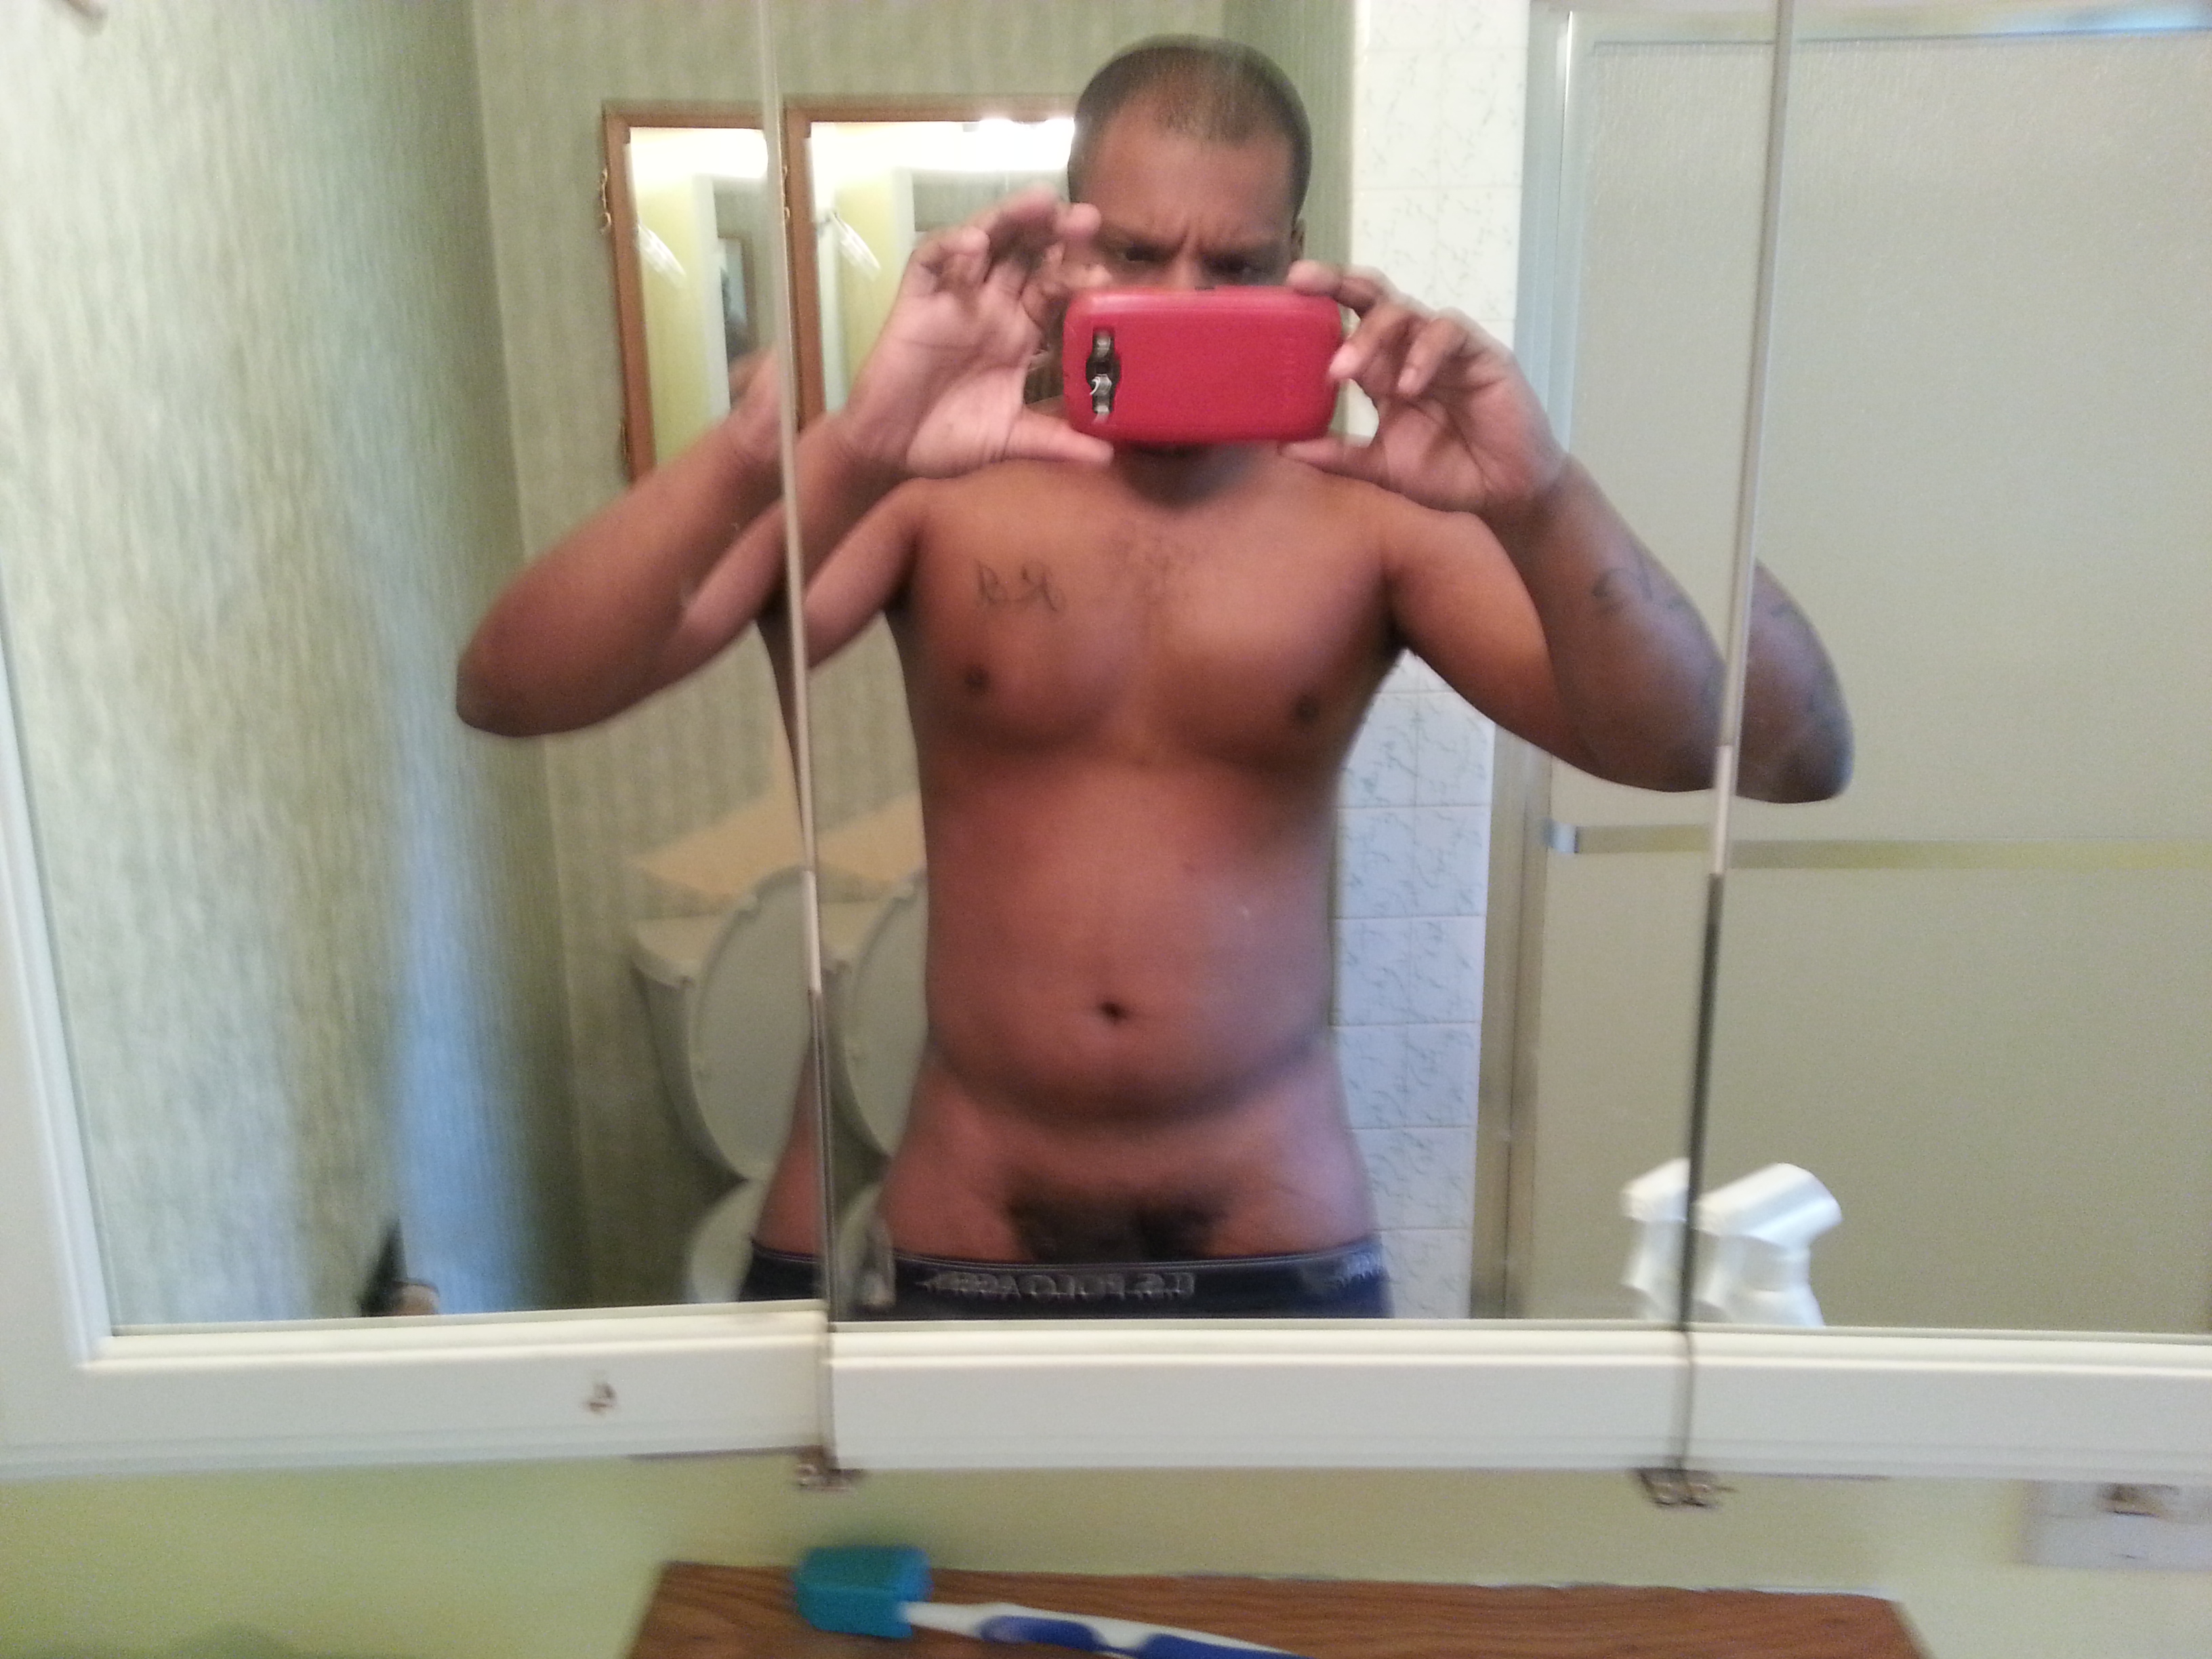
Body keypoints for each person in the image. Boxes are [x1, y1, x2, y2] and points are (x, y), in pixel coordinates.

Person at [458, 37, 1850, 1319]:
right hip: (977, 1208)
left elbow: (1687, 750)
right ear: (1067, 241)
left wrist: (1537, 493)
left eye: (1234, 264)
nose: (1183, 301)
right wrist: (821, 442)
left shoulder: (1378, 512)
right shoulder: (933, 480)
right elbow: (520, 689)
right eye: (1137, 250)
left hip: (1269, 1212)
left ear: (1299, 260)